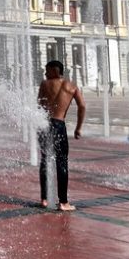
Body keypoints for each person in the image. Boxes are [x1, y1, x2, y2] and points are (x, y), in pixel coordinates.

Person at [36, 60, 85, 211]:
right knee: (61, 162)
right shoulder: (72, 86)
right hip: (59, 125)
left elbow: (39, 105)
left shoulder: (45, 84)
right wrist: (78, 128)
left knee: (45, 160)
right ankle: (63, 202)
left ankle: (44, 199)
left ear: (56, 70)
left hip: (45, 125)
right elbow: (82, 106)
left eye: (47, 70)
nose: (45, 73)